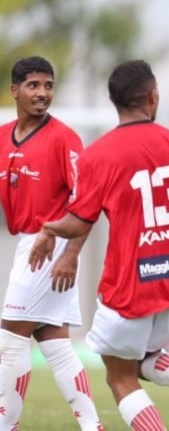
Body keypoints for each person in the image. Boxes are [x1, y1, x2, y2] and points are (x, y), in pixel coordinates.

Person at [28, 59, 169, 431]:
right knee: (145, 357)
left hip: (130, 280)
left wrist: (47, 228)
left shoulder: (100, 155)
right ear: (153, 97)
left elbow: (77, 223)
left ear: (112, 101)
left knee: (119, 376)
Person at [0, 56, 104, 430]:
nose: (42, 93)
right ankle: (93, 426)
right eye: (33, 85)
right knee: (56, 345)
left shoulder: (64, 139)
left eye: (48, 85)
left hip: (52, 247)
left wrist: (71, 254)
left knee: (9, 341)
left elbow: (88, 201)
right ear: (15, 91)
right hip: (29, 245)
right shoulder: (2, 136)